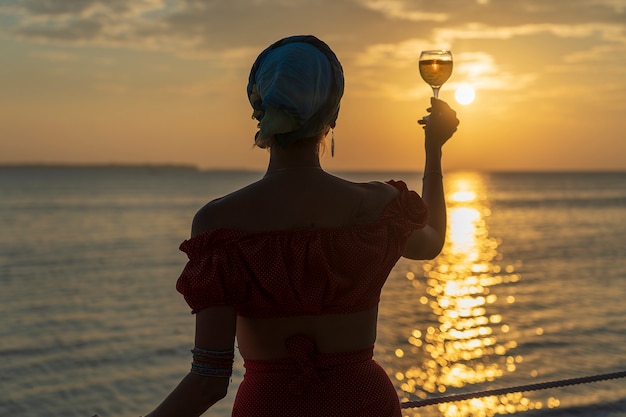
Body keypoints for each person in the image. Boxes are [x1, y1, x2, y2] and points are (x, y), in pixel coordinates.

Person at [145, 35, 459, 417]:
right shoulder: (379, 207)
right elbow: (432, 242)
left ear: (260, 110)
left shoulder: (219, 224)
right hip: (365, 403)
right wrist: (434, 149)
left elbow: (208, 380)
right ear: (332, 115)